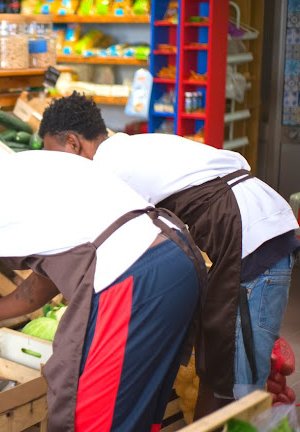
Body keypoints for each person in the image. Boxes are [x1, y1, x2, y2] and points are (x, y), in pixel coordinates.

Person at [38, 92, 300, 418]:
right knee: (217, 366)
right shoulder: (126, 149)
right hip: (245, 232)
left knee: (239, 386)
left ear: (73, 143)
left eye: (53, 155)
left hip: (252, 239)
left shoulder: (109, 169)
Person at [0, 151, 206, 432]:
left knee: (88, 419)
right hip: (176, 256)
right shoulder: (15, 171)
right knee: (136, 410)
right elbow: (40, 286)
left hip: (134, 279)